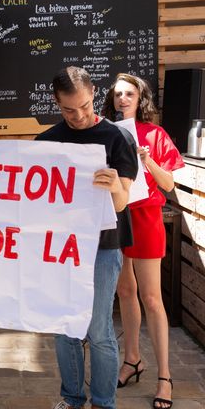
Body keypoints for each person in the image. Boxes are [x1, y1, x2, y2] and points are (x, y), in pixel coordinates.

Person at [36, 67, 138, 409]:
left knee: (98, 332)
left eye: (85, 106)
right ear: (56, 103)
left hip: (103, 247)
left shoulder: (118, 138)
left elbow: (124, 202)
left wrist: (112, 187)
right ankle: (72, 398)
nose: (78, 116)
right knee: (65, 329)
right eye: (68, 109)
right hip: (60, 248)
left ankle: (104, 402)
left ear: (94, 95)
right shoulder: (46, 142)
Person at [102, 73, 184, 409]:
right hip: (117, 216)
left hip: (147, 217)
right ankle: (133, 359)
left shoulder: (155, 134)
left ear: (141, 98)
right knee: (125, 292)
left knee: (152, 297)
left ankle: (164, 376)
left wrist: (147, 159)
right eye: (118, 94)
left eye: (129, 94)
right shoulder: (107, 133)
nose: (123, 99)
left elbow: (169, 186)